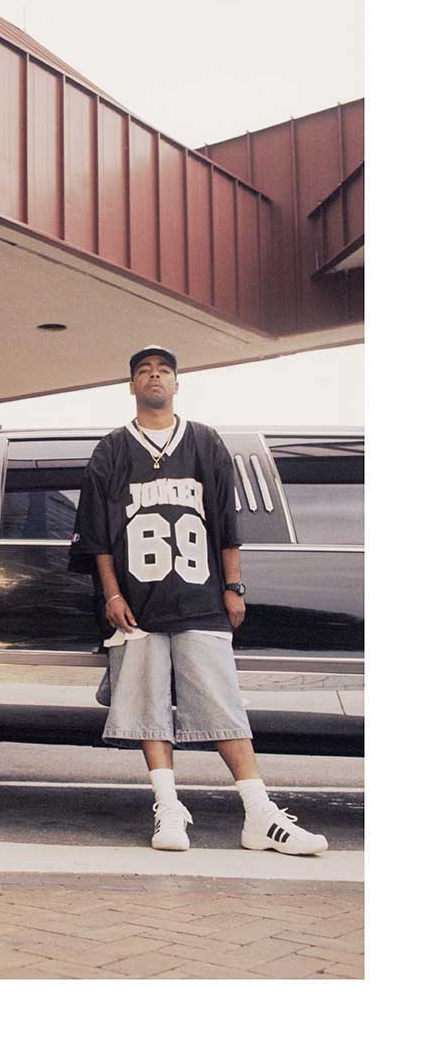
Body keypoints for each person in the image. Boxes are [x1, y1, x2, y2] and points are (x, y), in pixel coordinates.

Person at [69, 346, 329, 855]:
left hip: (200, 598)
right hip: (137, 602)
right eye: (144, 371)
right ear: (131, 386)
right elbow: (97, 535)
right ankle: (168, 808)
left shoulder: (206, 442)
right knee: (147, 709)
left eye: (163, 370)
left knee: (222, 703)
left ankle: (259, 813)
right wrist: (112, 593)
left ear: (177, 383)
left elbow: (227, 525)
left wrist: (233, 587)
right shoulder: (112, 449)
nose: (154, 377)